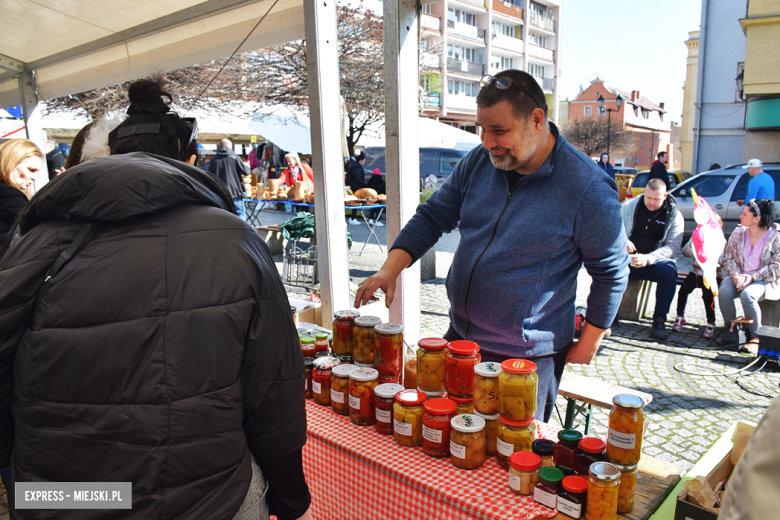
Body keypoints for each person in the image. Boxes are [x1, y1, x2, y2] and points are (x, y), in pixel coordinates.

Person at [0, 78, 312, 520]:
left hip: (61, 496)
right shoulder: (235, 240)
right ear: (190, 161)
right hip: (203, 497)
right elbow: (273, 389)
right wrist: (290, 494)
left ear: (110, 155)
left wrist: (21, 475)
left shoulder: (34, 236)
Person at [354, 70, 629, 423]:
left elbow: (610, 270)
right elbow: (434, 215)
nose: (486, 142)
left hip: (524, 358)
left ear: (536, 120)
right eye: (482, 130)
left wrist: (589, 340)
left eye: (498, 131)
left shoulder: (587, 187)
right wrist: (389, 269)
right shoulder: (479, 161)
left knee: (510, 463)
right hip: (460, 339)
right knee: (447, 442)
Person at [620, 178, 684, 340]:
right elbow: (612, 228)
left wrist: (649, 258)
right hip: (626, 259)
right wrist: (623, 241)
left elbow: (673, 247)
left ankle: (659, 319)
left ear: (665, 196)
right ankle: (606, 314)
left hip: (653, 262)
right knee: (603, 265)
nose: (651, 202)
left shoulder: (675, 216)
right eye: (648, 197)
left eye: (656, 199)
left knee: (669, 271)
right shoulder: (628, 207)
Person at [718, 198, 780, 349]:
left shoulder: (776, 236)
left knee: (748, 295)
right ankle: (731, 330)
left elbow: (777, 266)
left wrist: (752, 277)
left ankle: (755, 336)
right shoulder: (739, 231)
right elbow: (729, 257)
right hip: (740, 276)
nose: (741, 216)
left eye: (745, 214)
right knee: (724, 292)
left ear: (757, 219)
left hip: (765, 280)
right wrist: (736, 275)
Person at [672, 214, 724, 339]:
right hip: (696, 272)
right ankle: (680, 316)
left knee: (707, 295)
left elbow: (723, 261)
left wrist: (711, 257)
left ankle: (711, 322)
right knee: (684, 289)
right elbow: (685, 253)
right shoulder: (697, 236)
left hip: (712, 274)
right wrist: (693, 245)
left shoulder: (721, 241)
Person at [0, 139, 42, 257]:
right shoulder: (8, 195)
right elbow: (38, 227)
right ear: (10, 162)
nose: (34, 177)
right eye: (31, 170)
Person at [209, 137, 248, 219]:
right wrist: (247, 166)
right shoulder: (235, 158)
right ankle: (241, 231)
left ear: (220, 146)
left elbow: (209, 176)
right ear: (230, 146)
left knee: (223, 216)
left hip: (220, 193)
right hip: (235, 192)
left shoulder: (213, 160)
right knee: (240, 215)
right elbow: (246, 172)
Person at [346, 152, 368, 225]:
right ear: (361, 160)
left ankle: (352, 218)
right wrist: (366, 185)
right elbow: (358, 179)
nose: (364, 162)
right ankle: (352, 218)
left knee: (355, 203)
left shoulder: (353, 167)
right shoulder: (357, 168)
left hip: (354, 187)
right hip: (357, 187)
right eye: (364, 160)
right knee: (356, 203)